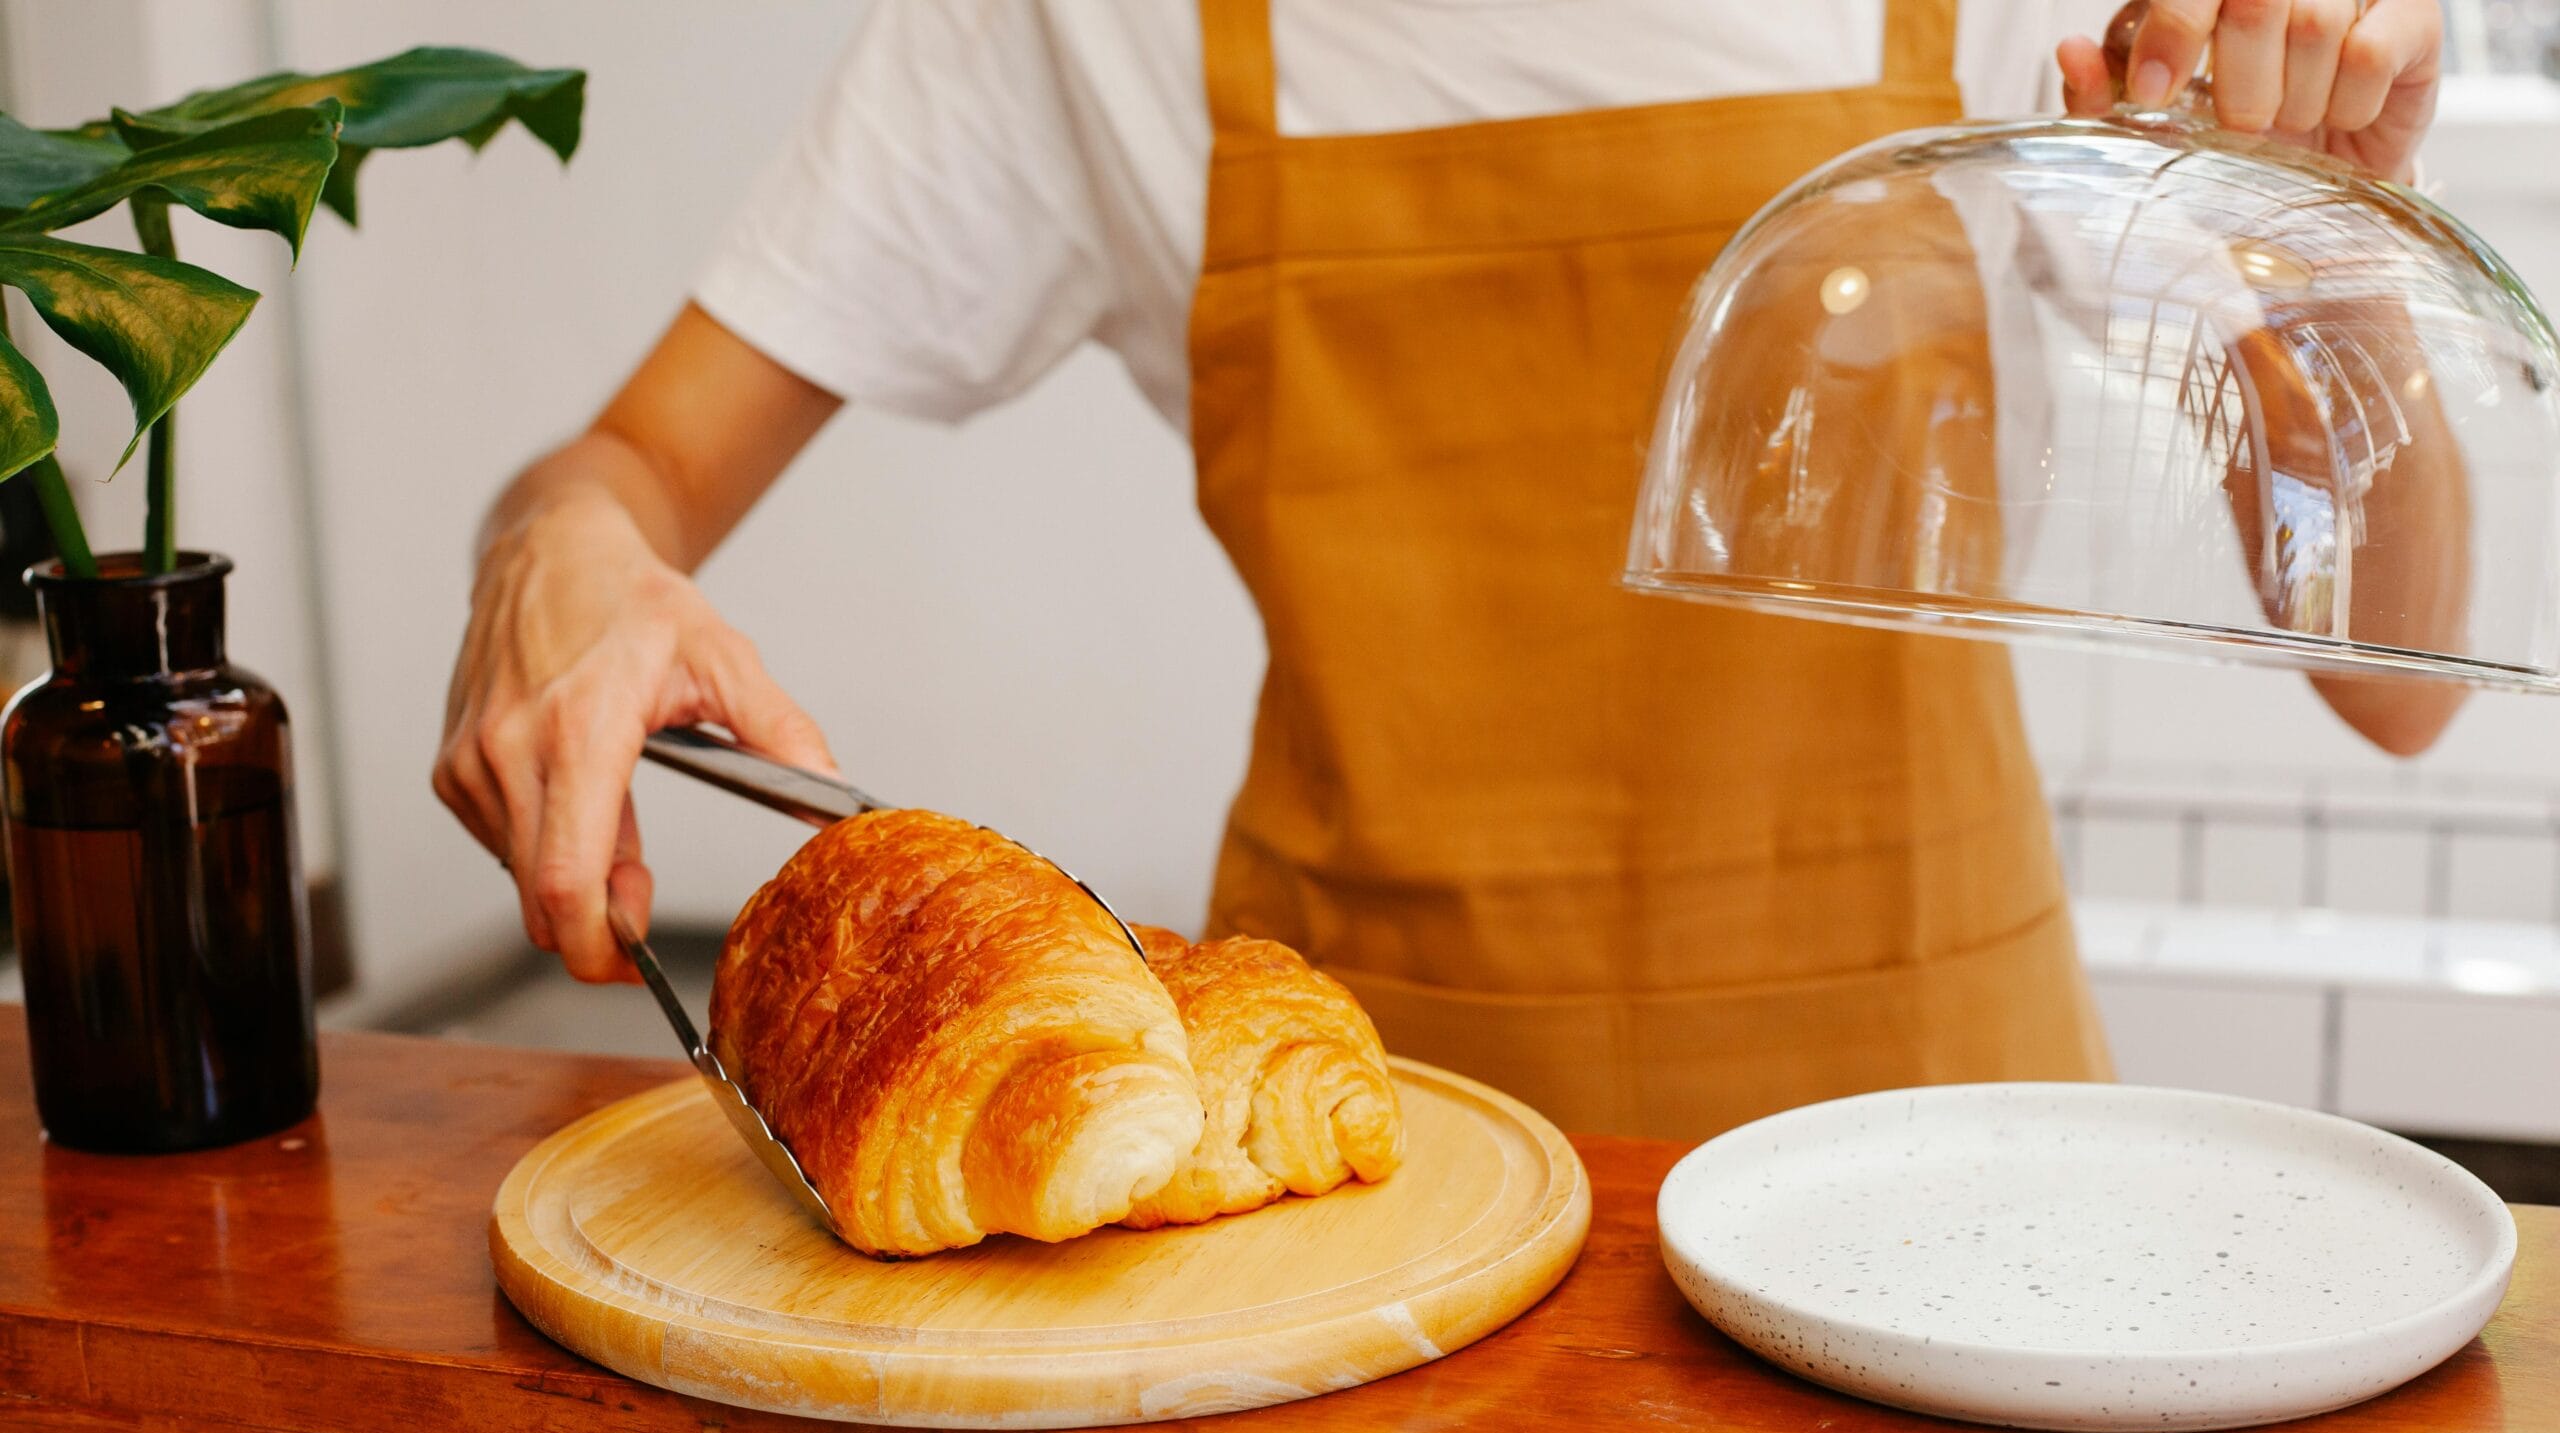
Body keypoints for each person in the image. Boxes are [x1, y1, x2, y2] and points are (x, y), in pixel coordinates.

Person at [437, 0, 2449, 1138]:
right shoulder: (1083, 22)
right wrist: (557, 564)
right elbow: (616, 474)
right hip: (1350, 1152)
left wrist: (2339, 235)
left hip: (1947, 1137)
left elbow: (2394, 672)